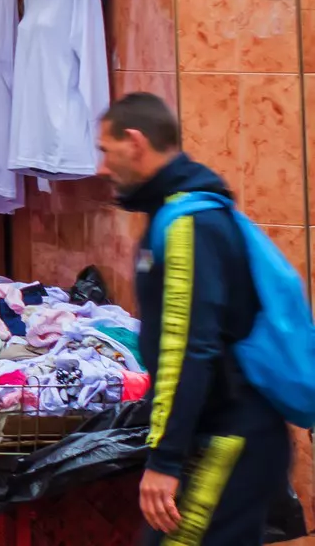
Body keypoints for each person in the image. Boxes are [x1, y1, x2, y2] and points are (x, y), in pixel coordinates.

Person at [100, 93, 290, 546]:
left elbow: (190, 346)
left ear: (134, 141)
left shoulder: (190, 222)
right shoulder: (173, 213)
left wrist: (166, 460)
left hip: (230, 435)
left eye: (105, 151)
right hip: (223, 428)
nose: (103, 167)